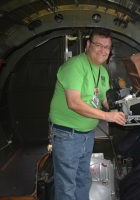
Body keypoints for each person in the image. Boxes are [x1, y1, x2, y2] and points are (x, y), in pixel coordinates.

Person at [49, 28, 126, 200]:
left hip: (87, 134)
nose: (103, 50)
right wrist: (107, 116)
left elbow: (105, 100)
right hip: (67, 133)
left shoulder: (102, 70)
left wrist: (121, 110)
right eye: (98, 45)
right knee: (67, 184)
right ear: (88, 45)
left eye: (107, 47)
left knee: (83, 179)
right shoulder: (75, 66)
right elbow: (74, 103)